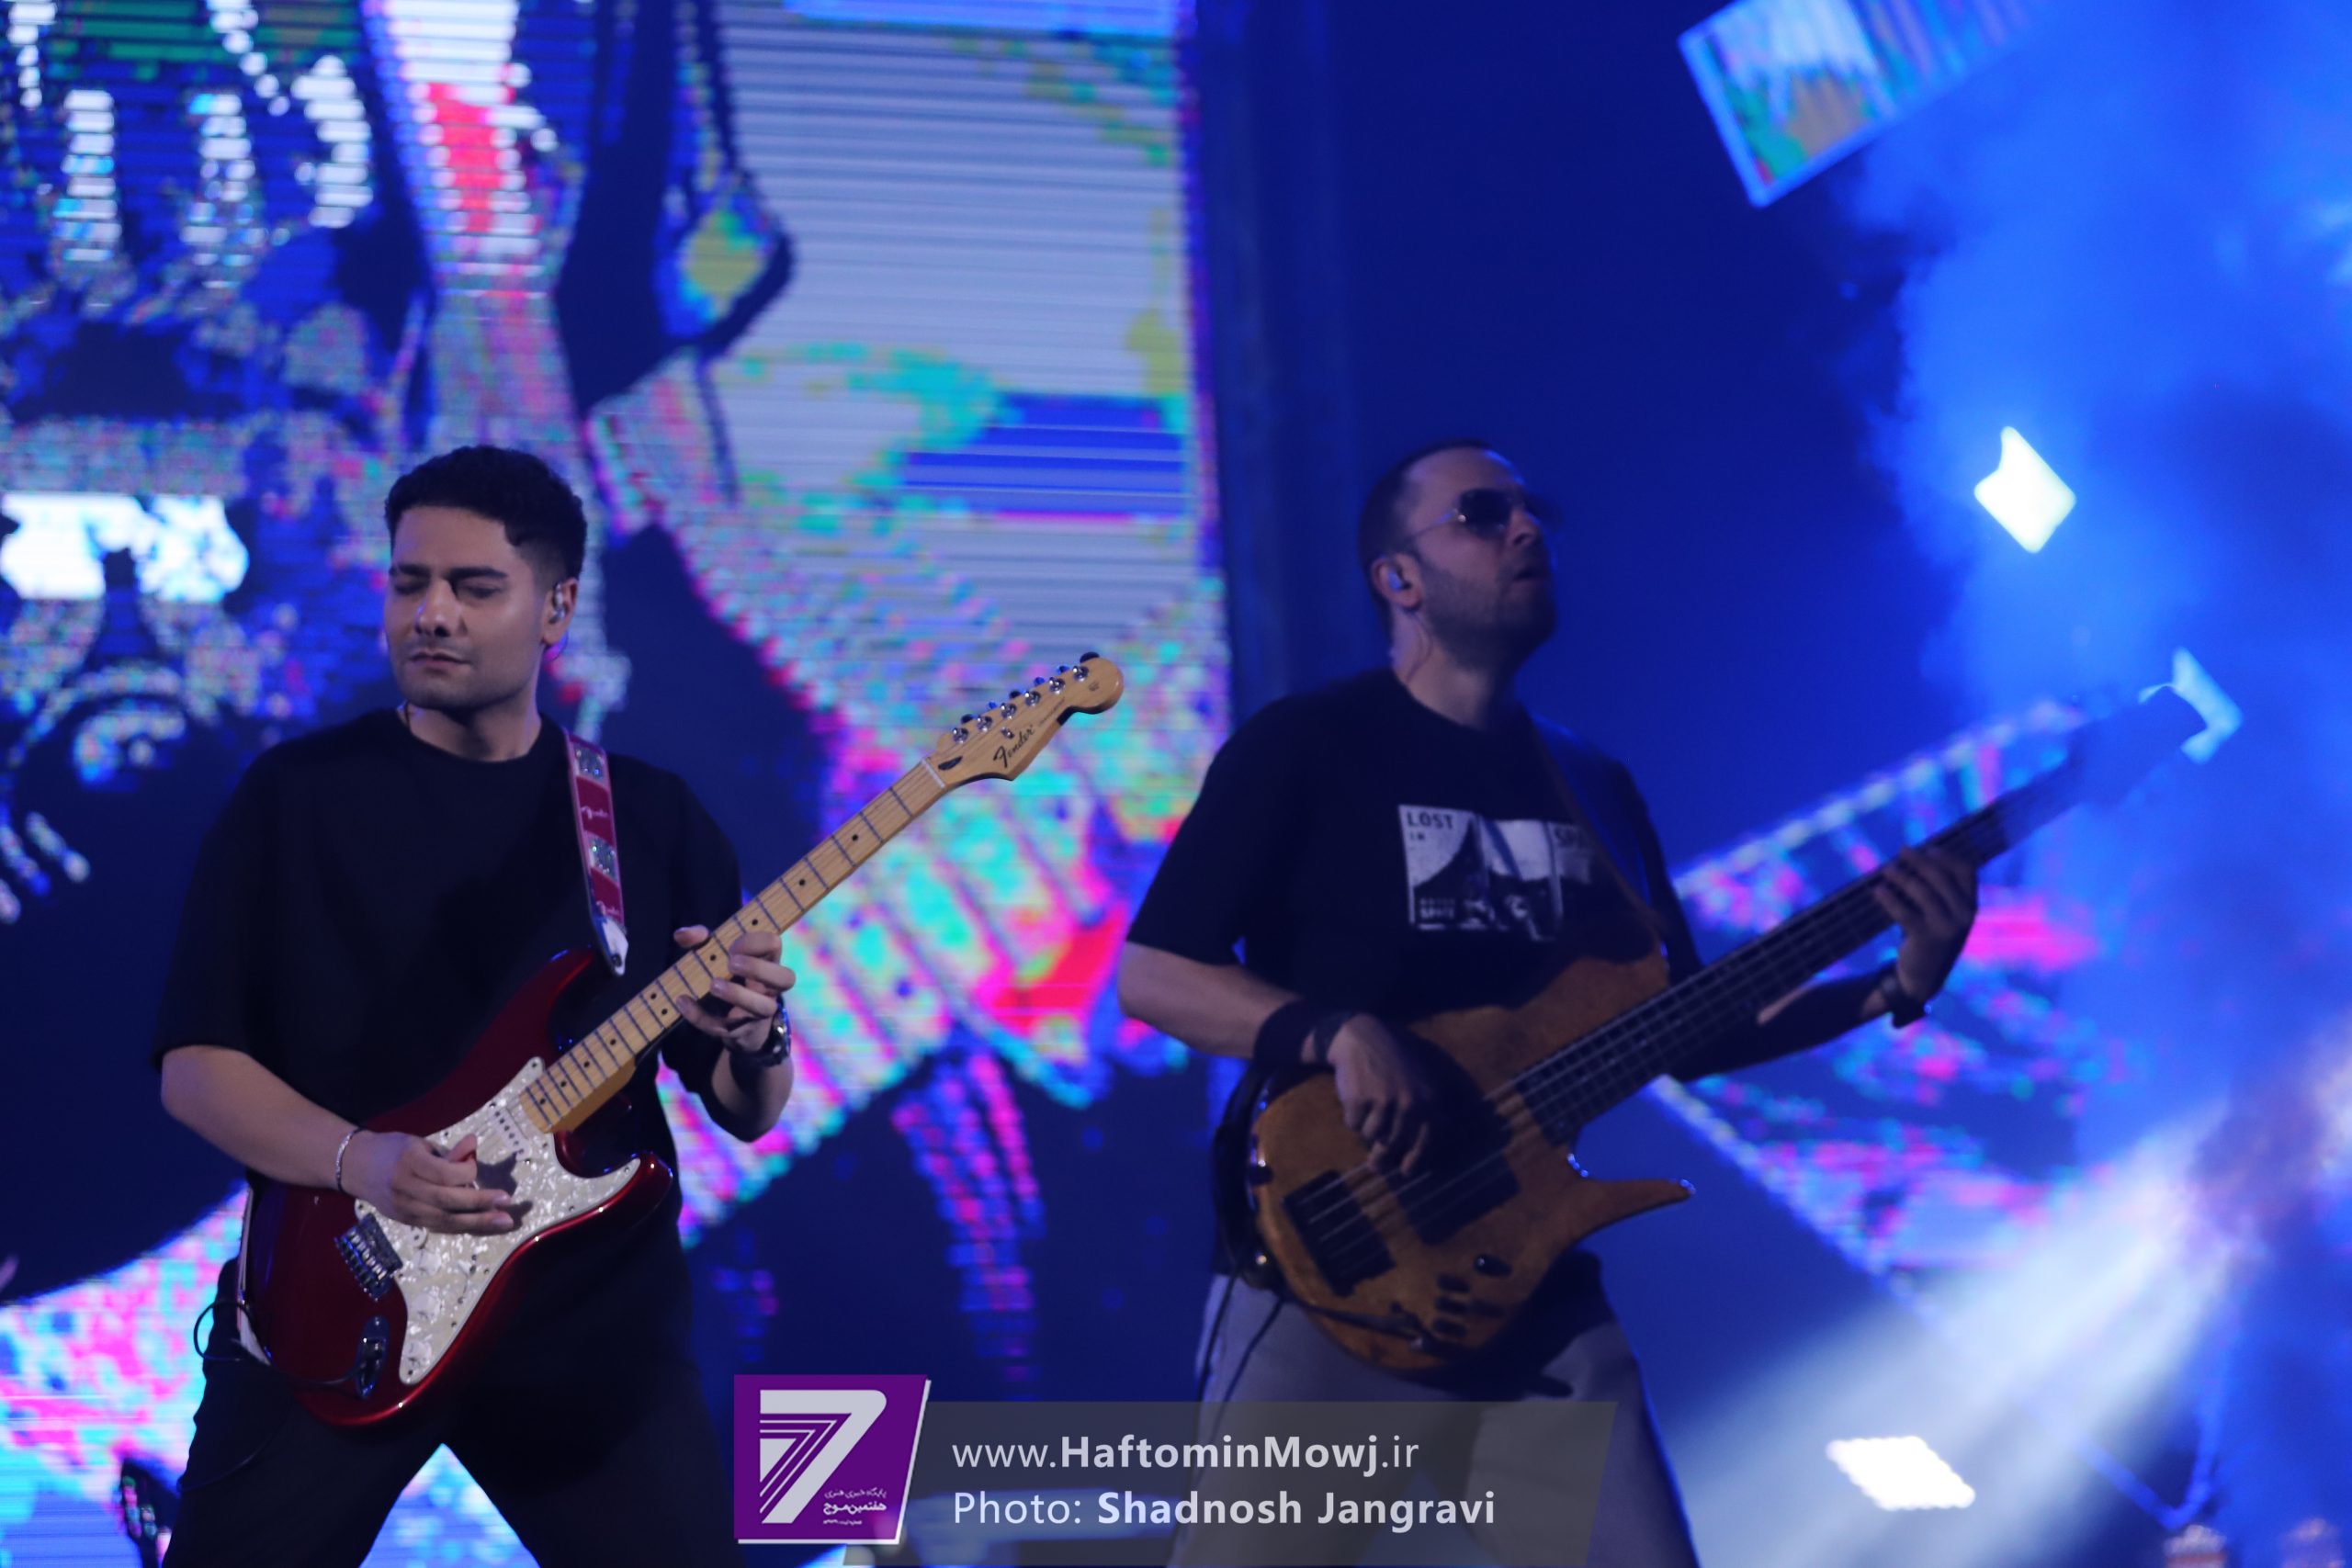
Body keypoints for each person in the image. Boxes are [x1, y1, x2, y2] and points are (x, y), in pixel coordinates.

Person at [1116, 438, 1980, 1568]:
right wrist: (1338, 1032)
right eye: (1483, 513)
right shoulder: (1309, 745)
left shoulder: (1595, 787)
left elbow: (1685, 1027)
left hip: (1522, 1287)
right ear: (1397, 577)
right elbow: (1154, 971)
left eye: (1532, 511)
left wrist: (1893, 986)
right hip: (1333, 1269)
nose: (1526, 530)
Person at [153, 446, 797, 1567]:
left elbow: (745, 1105)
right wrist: (363, 1161)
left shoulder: (645, 819)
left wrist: (758, 1037)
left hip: (587, 1334)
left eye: (473, 587)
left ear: (556, 609)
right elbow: (194, 1068)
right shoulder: (292, 801)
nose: (432, 614)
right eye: (410, 583)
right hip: (338, 1303)